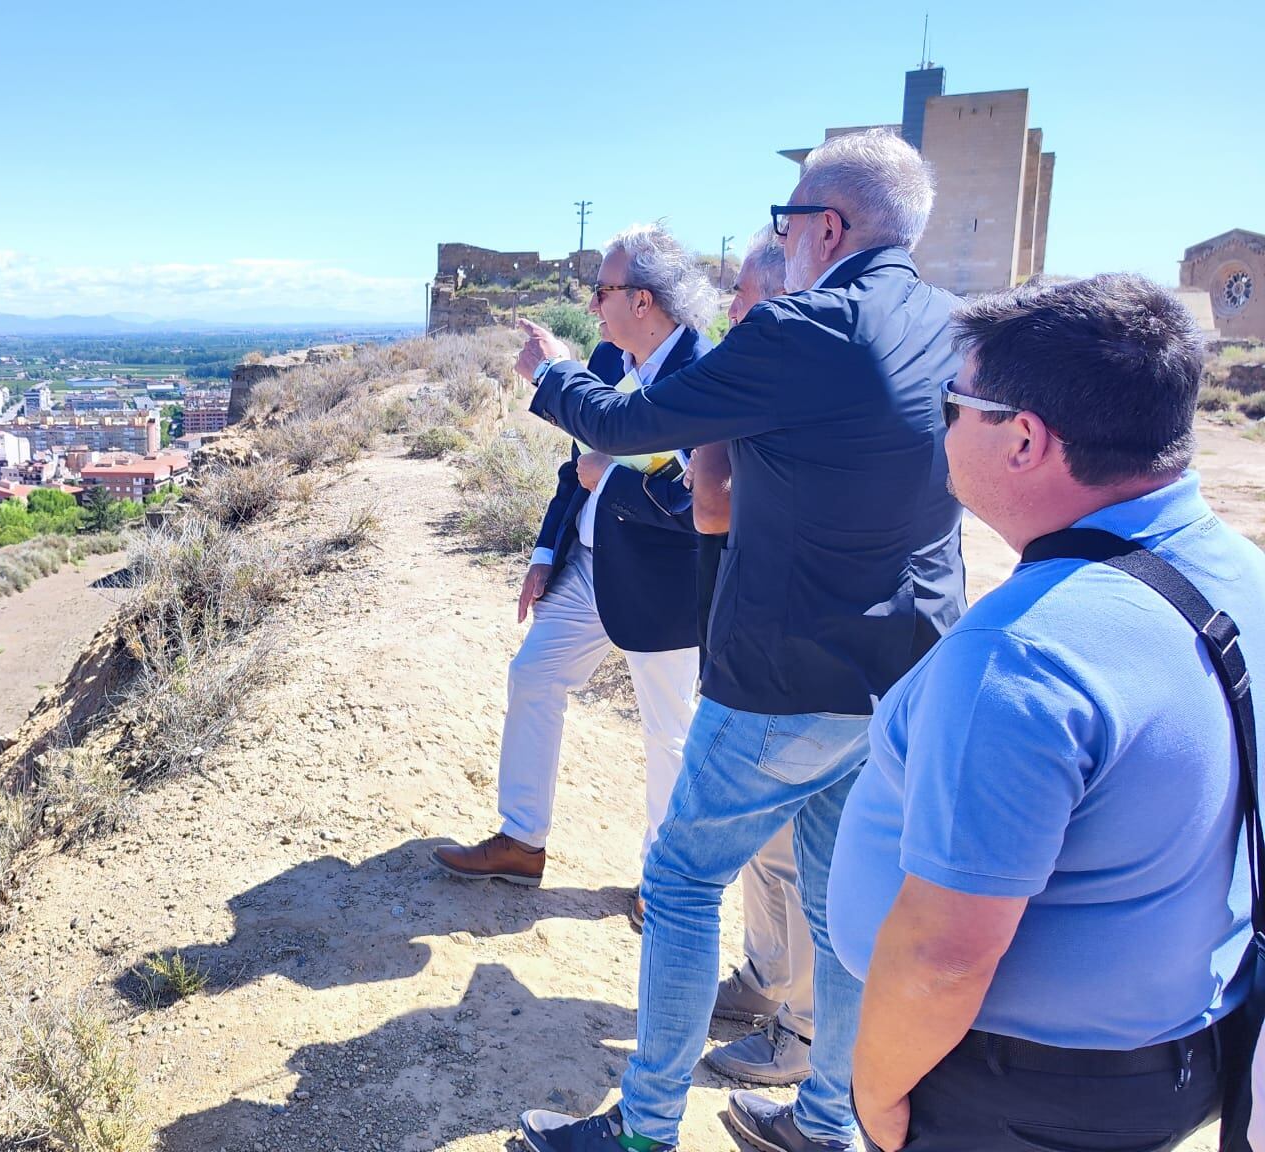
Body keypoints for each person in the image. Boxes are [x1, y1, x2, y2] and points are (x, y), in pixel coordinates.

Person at [511, 128, 966, 1152]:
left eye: (787, 219)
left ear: (830, 226)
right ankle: (822, 1123)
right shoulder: (951, 323)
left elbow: (638, 431)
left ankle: (643, 1129)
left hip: (785, 668)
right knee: (840, 901)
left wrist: (547, 376)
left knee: (679, 881)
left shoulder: (806, 326)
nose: (781, 238)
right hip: (903, 674)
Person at [831, 273, 1259, 1151]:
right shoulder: (1242, 573)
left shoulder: (1024, 649)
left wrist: (872, 1098)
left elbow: (947, 952)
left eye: (954, 402)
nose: (941, 422)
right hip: (1183, 1055)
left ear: (1024, 437)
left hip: (1017, 1094)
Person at [433, 225, 716, 922]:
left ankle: (664, 883)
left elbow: (694, 502)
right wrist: (543, 553)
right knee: (533, 677)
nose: (592, 305)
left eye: (603, 291)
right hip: (588, 566)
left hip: (663, 581)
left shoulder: (704, 376)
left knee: (668, 733)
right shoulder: (611, 358)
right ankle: (522, 843)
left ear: (643, 300)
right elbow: (577, 464)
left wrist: (607, 476)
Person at [688, 228, 819, 1090]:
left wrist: (708, 419)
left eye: (739, 295)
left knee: (807, 852)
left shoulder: (795, 382)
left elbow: (712, 507)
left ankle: (804, 1036)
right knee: (773, 846)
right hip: (765, 642)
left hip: (809, 657)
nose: (728, 311)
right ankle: (769, 984)